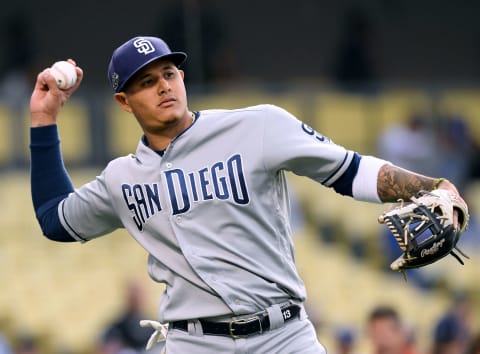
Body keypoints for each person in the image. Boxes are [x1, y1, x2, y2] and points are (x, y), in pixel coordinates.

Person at [28, 36, 467, 354]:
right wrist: (45, 118)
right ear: (124, 102)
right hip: (193, 342)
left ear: (181, 77)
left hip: (285, 336)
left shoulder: (256, 126)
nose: (163, 86)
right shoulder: (121, 178)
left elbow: (350, 170)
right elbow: (55, 218)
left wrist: (432, 186)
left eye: (168, 73)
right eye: (146, 82)